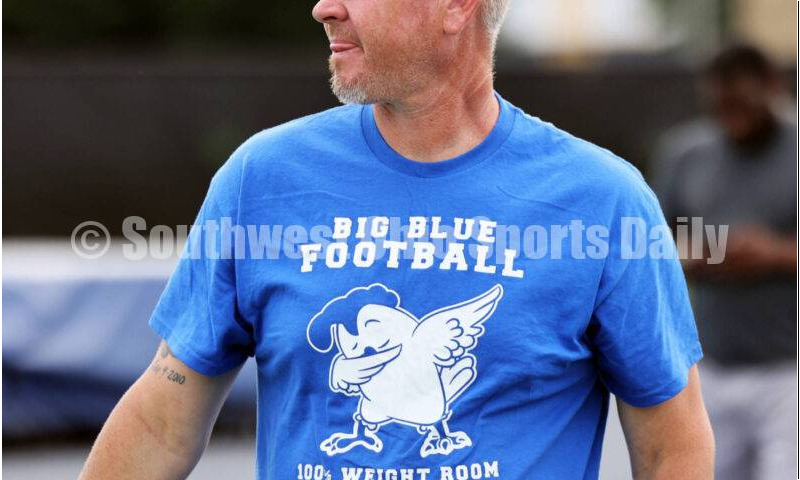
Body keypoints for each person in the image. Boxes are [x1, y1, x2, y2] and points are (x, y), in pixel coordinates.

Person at [79, 1, 714, 479]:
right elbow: (163, 422)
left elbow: (671, 444)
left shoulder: (601, 200)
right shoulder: (263, 179)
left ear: (456, 7)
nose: (324, 7)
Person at [653, 44, 796, 480]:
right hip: (708, 365)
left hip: (788, 371)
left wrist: (775, 253)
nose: (730, 115)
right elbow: (655, 246)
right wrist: (714, 251)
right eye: (720, 105)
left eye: (741, 103)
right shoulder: (685, 154)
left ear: (772, 88)